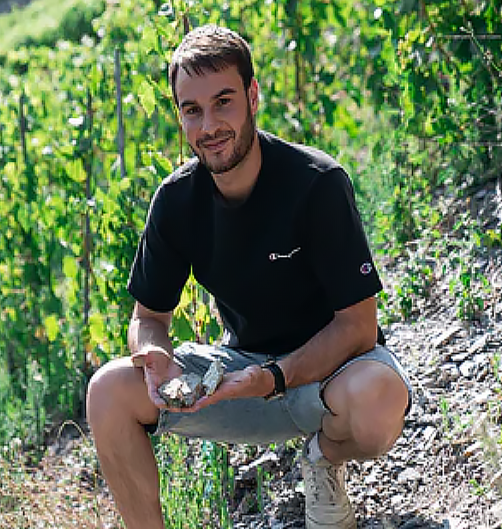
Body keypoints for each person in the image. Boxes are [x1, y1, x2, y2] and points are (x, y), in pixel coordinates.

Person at [85, 24, 412, 529]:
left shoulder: (317, 184)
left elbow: (358, 327)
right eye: (191, 110)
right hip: (238, 377)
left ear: (252, 96)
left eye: (223, 102)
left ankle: (322, 461)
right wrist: (154, 357)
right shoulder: (175, 201)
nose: (209, 125)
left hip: (328, 377)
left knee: (380, 399)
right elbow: (148, 316)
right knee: (107, 389)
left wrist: (277, 377)